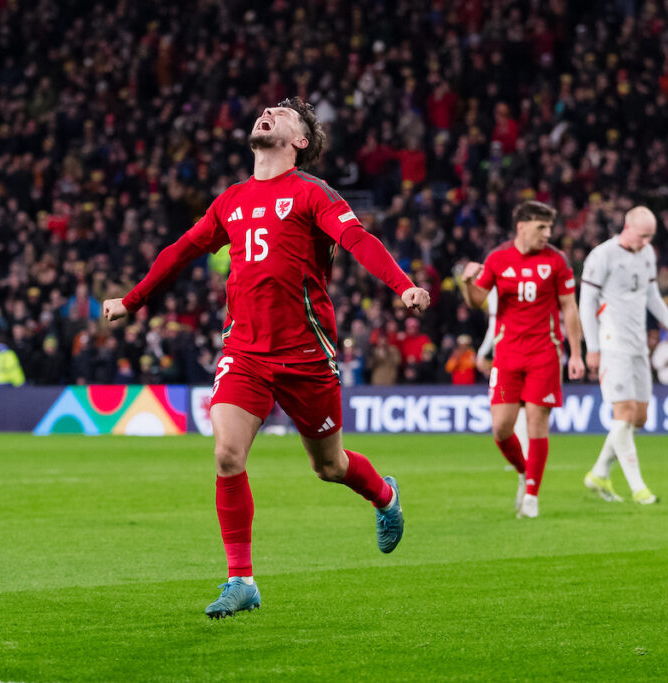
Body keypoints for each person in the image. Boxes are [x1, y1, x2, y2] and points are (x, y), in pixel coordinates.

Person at [102, 97, 431, 618]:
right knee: (227, 454)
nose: (268, 112)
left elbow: (357, 239)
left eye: (283, 113)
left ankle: (384, 496)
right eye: (267, 110)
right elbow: (182, 250)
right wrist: (132, 300)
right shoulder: (230, 200)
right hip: (245, 351)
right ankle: (242, 580)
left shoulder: (313, 193)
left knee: (329, 466)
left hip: (306, 355)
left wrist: (403, 285)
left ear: (300, 141)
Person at [459, 201, 585, 519]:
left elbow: (569, 307)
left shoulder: (557, 260)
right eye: (542, 227)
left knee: (536, 422)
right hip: (507, 356)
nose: (548, 234)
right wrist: (466, 282)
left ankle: (531, 495)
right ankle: (523, 471)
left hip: (545, 353)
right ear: (522, 227)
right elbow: (477, 301)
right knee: (501, 428)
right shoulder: (498, 258)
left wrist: (576, 353)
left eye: (549, 227)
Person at [579, 207, 668, 504]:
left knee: (638, 418)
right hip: (612, 343)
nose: (646, 242)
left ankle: (599, 473)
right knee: (624, 412)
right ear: (627, 227)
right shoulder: (602, 256)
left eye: (650, 237)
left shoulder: (647, 253)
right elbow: (586, 304)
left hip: (638, 344)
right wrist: (592, 347)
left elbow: (652, 296)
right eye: (642, 236)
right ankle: (639, 489)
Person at [474, 286, 528, 455]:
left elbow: (494, 326)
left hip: (506, 353)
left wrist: (482, 353)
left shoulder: (495, 288)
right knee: (523, 405)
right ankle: (526, 452)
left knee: (509, 407)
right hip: (529, 347)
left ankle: (523, 454)